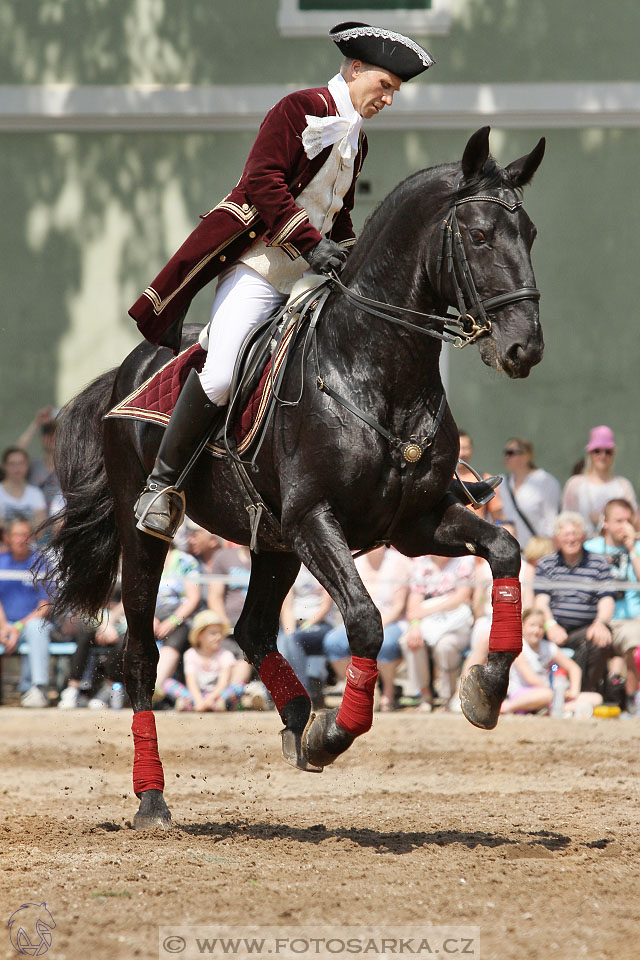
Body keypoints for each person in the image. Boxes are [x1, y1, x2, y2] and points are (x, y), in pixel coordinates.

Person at [129, 22, 434, 541]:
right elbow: (262, 180)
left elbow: (336, 215)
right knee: (223, 373)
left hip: (310, 277)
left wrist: (353, 254)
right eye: (384, 86)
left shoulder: (357, 141)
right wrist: (312, 244)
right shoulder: (298, 108)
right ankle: (161, 484)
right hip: (261, 267)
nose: (388, 100)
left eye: (393, 93)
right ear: (355, 69)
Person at [322, 546, 411, 711]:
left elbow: (399, 607)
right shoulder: (354, 560)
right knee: (332, 641)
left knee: (385, 644)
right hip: (360, 621)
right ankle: (358, 687)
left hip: (392, 622)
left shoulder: (399, 561)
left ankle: (388, 693)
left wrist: (374, 626)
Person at [534, 512, 615, 692]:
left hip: (586, 629)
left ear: (584, 537)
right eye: (566, 535)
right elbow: (541, 601)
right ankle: (544, 691)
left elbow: (607, 599)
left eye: (575, 534)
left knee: (602, 638)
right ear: (557, 539)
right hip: (552, 627)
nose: (571, 539)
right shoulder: (546, 563)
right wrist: (550, 625)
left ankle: (584, 692)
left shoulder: (599, 563)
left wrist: (600, 623)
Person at [584, 498, 640, 706]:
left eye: (628, 521)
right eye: (618, 521)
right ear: (605, 522)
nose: (625, 526)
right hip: (599, 617)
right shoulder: (591, 547)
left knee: (635, 640)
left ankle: (632, 701)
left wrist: (632, 548)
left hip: (631, 619)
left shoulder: (637, 547)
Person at [401, 554, 474, 711]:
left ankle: (446, 697)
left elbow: (462, 597)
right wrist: (415, 626)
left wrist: (427, 611)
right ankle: (424, 695)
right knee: (410, 641)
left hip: (456, 624)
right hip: (427, 623)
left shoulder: (463, 560)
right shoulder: (422, 564)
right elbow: (413, 604)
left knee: (445, 646)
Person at [501, 609, 602, 716]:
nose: (536, 630)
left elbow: (573, 668)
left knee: (597, 698)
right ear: (522, 626)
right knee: (546, 695)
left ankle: (554, 709)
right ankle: (507, 707)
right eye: (532, 625)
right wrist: (556, 693)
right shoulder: (517, 648)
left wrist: (573, 691)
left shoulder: (548, 647)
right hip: (524, 694)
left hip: (549, 694)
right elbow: (530, 679)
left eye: (540, 626)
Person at [0, 518, 53, 707]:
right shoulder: (1, 562)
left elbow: (45, 605)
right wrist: (4, 626)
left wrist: (17, 626)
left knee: (38, 627)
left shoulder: (40, 562)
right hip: (3, 626)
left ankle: (39, 689)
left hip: (27, 625)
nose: (20, 539)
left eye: (25, 535)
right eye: (16, 535)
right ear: (7, 537)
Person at [160, 610, 247, 711]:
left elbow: (223, 683)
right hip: (196, 695)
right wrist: (199, 700)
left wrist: (210, 698)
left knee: (239, 686)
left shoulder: (225, 655)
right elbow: (191, 681)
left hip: (218, 694)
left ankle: (193, 704)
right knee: (167, 683)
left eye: (220, 633)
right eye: (213, 633)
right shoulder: (191, 654)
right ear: (199, 636)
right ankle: (209, 705)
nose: (218, 637)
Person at [562, 426, 637, 537]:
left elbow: (632, 521)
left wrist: (603, 521)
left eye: (608, 452)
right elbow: (565, 521)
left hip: (616, 550)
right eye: (597, 451)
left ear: (614, 454)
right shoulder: (575, 484)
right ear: (590, 453)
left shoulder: (623, 485)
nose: (603, 456)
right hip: (582, 549)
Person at [500, 437, 562, 550]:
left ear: (526, 456)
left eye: (511, 453)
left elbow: (552, 521)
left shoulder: (546, 481)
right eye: (505, 453)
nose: (506, 457)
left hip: (538, 553)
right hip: (509, 551)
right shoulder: (502, 482)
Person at [15, 406, 61, 511]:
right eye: (48, 434)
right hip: (36, 523)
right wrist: (36, 423)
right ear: (42, 438)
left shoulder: (69, 467)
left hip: (62, 524)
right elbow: (16, 453)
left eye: (56, 433)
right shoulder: (34, 465)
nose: (52, 437)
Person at [457, 430, 504, 522]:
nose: (462, 453)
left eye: (465, 448)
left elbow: (498, 519)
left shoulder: (485, 479)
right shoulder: (443, 481)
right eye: (458, 448)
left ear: (471, 450)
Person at [0, 448, 47, 532]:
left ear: (27, 465)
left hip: (31, 544)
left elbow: (40, 529)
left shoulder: (36, 493)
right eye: (12, 464)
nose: (17, 468)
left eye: (21, 463)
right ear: (4, 466)